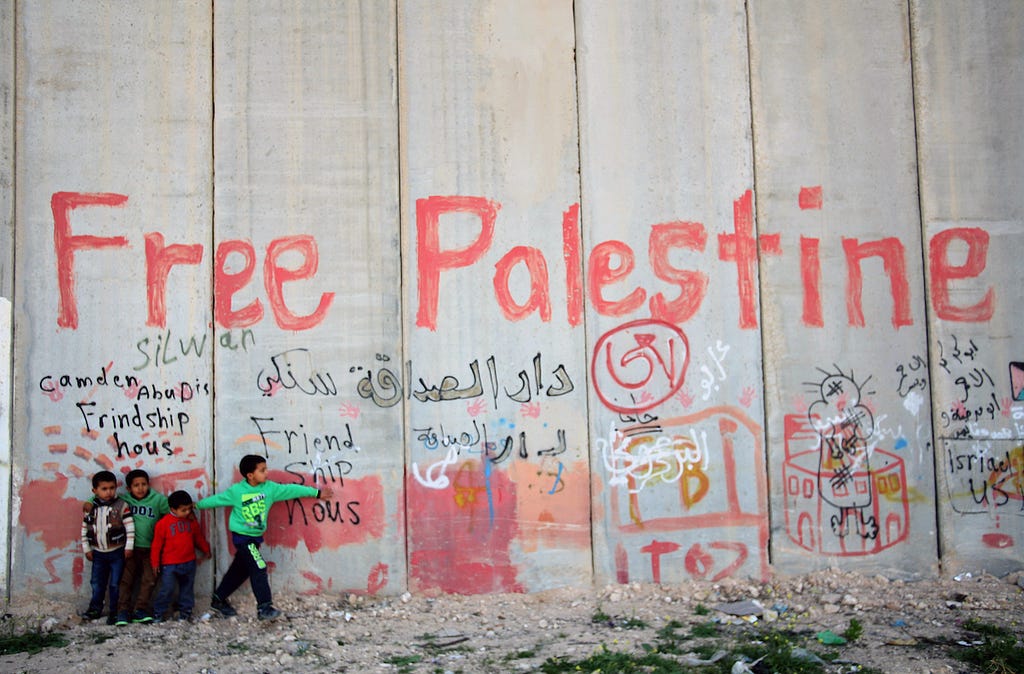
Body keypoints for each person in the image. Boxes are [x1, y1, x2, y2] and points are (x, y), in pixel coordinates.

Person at [196, 454, 333, 621]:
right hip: (243, 538)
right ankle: (264, 607)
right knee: (259, 567)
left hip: (255, 539)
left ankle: (218, 599)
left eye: (266, 469)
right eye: (262, 470)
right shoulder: (237, 491)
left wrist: (316, 493)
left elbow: (292, 489)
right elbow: (216, 500)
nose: (266, 473)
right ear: (250, 475)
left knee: (240, 570)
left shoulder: (270, 489)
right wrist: (195, 506)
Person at [114, 469, 169, 625]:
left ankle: (140, 610)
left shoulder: (158, 500)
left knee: (149, 580)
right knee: (125, 581)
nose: (140, 488)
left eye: (143, 484)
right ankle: (123, 611)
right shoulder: (124, 501)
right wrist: (89, 503)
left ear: (148, 485)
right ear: (129, 488)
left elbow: (171, 513)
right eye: (136, 485)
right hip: (128, 550)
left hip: (151, 550)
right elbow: (102, 499)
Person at [81, 470, 135, 624]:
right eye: (104, 489)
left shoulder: (122, 505)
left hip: (117, 552)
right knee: (97, 583)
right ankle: (95, 609)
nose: (109, 492)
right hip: (98, 553)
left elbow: (130, 527)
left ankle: (115, 612)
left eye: (112, 488)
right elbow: (84, 528)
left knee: (115, 584)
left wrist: (128, 547)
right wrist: (87, 549)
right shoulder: (90, 507)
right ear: (95, 491)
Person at [150, 490, 211, 622]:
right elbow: (156, 546)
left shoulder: (191, 521)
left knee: (187, 589)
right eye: (183, 510)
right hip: (169, 564)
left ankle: (185, 613)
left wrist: (206, 549)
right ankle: (158, 613)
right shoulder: (163, 523)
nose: (188, 512)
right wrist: (155, 563)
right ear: (173, 509)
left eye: (189, 509)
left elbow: (197, 537)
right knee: (167, 588)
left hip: (189, 561)